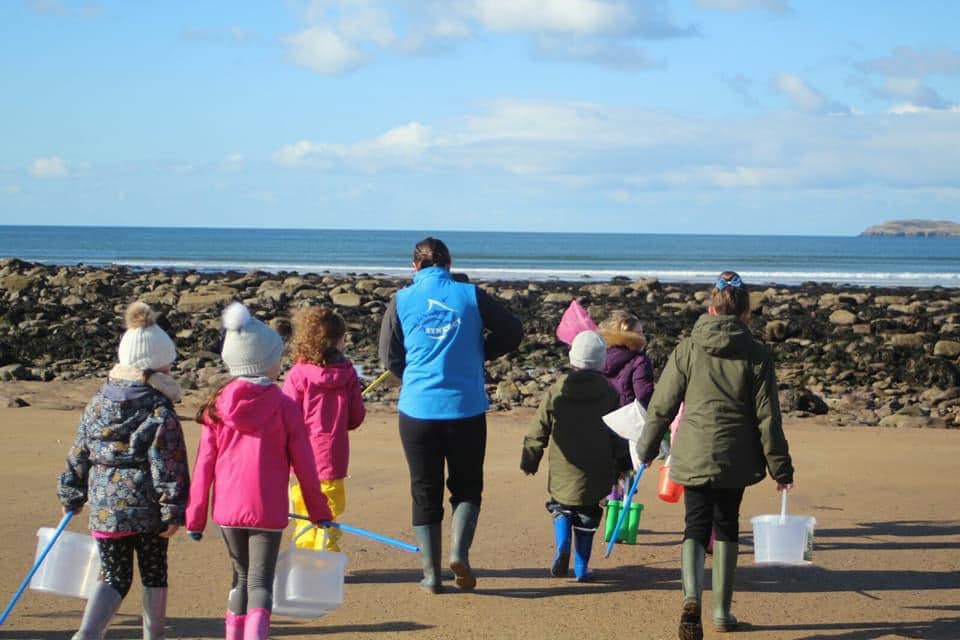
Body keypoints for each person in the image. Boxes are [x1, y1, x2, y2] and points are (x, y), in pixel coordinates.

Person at [636, 271, 794, 640]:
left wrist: (646, 448)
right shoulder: (756, 354)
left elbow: (661, 405)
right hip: (736, 456)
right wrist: (780, 467)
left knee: (694, 524)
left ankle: (691, 597)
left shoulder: (689, 348)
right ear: (746, 314)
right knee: (726, 526)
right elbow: (768, 416)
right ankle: (722, 612)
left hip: (693, 451)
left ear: (710, 307)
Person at [378, 236, 523, 593]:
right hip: (465, 408)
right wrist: (479, 353)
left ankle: (431, 574)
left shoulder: (401, 300)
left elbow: (389, 357)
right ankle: (459, 551)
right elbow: (513, 331)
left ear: (415, 266)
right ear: (448, 264)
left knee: (424, 490)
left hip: (418, 410)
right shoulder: (470, 294)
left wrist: (414, 373)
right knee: (467, 485)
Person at [186, 303, 332, 640]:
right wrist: (318, 511)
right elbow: (306, 467)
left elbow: (203, 468)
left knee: (240, 577)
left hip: (227, 511)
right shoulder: (283, 407)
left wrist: (195, 517)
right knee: (259, 582)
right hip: (266, 509)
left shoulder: (217, 406)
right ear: (267, 362)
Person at [58, 301, 189, 640]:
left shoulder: (99, 401)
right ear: (157, 366)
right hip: (147, 509)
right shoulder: (159, 407)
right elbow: (168, 461)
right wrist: (173, 508)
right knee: (153, 573)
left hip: (105, 506)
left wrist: (71, 492)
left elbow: (80, 450)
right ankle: (151, 635)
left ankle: (88, 632)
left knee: (113, 575)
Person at [520, 331, 628, 581]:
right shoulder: (609, 392)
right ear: (602, 361)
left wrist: (530, 458)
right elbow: (617, 433)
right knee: (588, 515)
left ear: (572, 357)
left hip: (563, 466)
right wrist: (624, 462)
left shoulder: (558, 389)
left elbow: (539, 427)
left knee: (560, 505)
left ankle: (561, 543)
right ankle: (581, 568)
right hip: (597, 468)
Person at [283, 306, 366, 552]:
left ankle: (309, 551)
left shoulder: (298, 374)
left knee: (303, 508)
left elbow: (287, 415)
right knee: (328, 507)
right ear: (336, 341)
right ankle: (324, 548)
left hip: (301, 457)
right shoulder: (347, 373)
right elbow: (356, 417)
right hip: (331, 455)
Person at [598, 310, 657, 501]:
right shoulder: (639, 360)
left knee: (609, 472)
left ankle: (611, 504)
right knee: (627, 474)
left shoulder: (599, 357)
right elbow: (644, 394)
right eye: (639, 333)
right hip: (627, 423)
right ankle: (619, 520)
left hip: (601, 421)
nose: (643, 336)